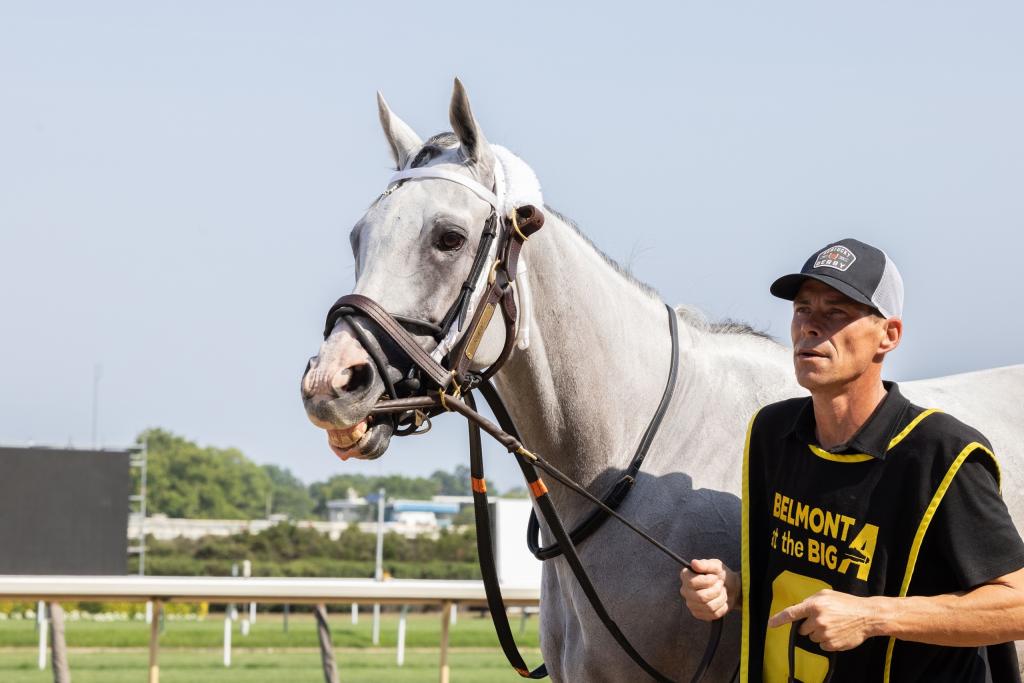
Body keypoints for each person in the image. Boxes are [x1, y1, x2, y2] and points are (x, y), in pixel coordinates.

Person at [680, 238, 1024, 682]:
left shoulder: (941, 453)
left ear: (889, 335)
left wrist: (872, 617)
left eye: (836, 313)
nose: (810, 326)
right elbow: (810, 582)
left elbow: (1017, 604)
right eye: (802, 309)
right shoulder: (772, 433)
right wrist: (735, 588)